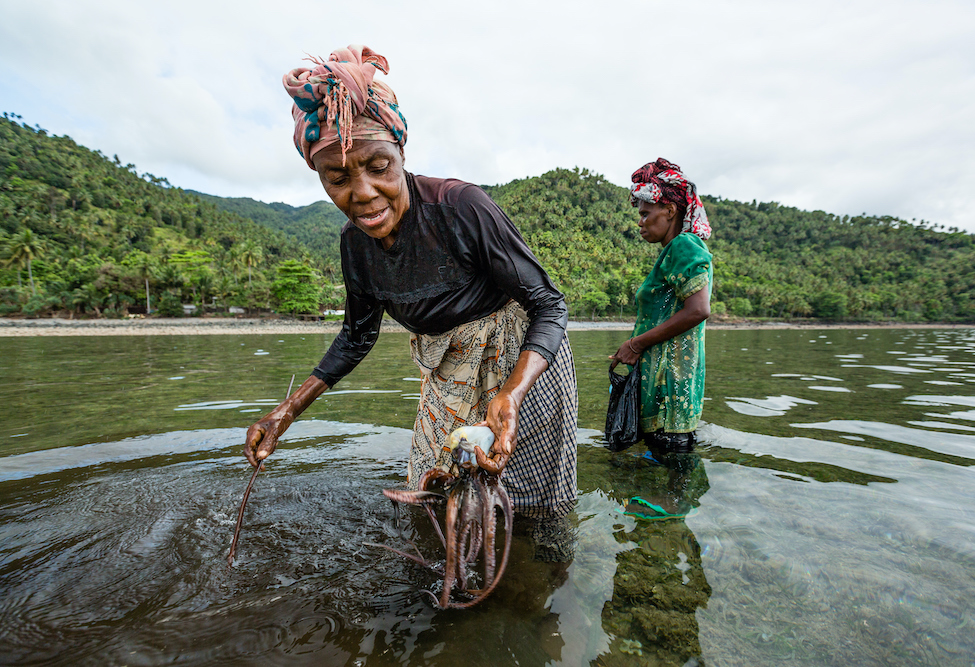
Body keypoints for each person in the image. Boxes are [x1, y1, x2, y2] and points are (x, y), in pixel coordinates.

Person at [243, 45, 577, 558]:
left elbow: (548, 304)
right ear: (321, 178)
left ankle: (541, 590)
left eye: (379, 167)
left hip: (521, 358)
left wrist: (508, 395)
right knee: (432, 488)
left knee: (529, 503)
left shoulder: (459, 206)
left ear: (401, 155)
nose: (363, 192)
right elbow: (357, 336)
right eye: (338, 178)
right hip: (447, 369)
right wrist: (285, 413)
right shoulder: (355, 246)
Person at [609, 158, 712, 462]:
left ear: (669, 209)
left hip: (670, 393)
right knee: (667, 477)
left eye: (645, 213)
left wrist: (635, 344)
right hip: (667, 391)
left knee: (670, 482)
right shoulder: (674, 251)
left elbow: (698, 310)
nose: (639, 221)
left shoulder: (685, 246)